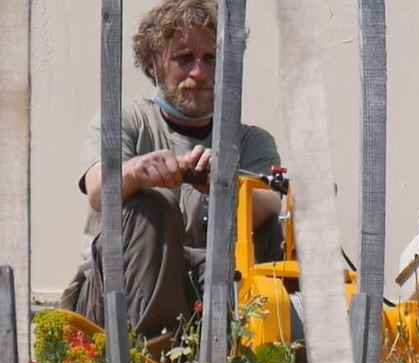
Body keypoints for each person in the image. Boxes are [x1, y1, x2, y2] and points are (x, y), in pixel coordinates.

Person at [62, 0, 283, 341]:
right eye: (183, 58)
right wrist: (137, 173)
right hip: (114, 304)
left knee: (275, 225)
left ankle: (258, 353)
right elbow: (97, 190)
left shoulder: (250, 141)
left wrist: (221, 184)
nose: (199, 73)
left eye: (211, 59)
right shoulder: (127, 120)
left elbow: (271, 204)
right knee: (152, 205)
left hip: (208, 295)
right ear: (153, 63)